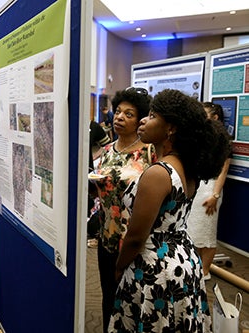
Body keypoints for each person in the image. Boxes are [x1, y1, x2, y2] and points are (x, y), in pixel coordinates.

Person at [108, 89, 231, 332]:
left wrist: (120, 266)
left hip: (155, 268)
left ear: (171, 128)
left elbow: (135, 238)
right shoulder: (186, 165)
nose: (144, 120)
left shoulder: (158, 173)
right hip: (183, 259)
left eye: (152, 116)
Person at [93, 87, 154, 332]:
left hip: (136, 240)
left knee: (134, 297)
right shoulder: (106, 152)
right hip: (107, 237)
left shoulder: (150, 152)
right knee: (109, 294)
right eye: (118, 112)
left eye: (129, 114)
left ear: (141, 120)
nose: (119, 117)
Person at [187, 102, 230, 280]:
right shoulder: (200, 137)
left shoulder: (223, 140)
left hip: (211, 190)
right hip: (198, 187)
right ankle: (196, 268)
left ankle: (204, 271)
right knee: (194, 230)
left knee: (207, 232)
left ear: (215, 117)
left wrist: (215, 195)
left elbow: (223, 170)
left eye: (204, 114)